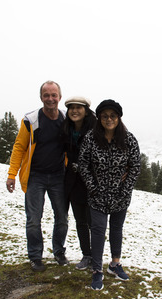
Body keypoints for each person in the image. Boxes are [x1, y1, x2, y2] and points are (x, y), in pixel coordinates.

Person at [6, 80, 69, 272]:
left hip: (59, 176)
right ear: (41, 97)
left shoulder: (66, 120)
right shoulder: (31, 120)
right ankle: (35, 256)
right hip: (35, 177)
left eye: (54, 95)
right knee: (33, 219)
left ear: (59, 97)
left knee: (62, 218)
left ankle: (59, 252)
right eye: (46, 95)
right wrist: (12, 174)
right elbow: (19, 147)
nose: (50, 99)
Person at [78, 99, 141, 290]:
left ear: (118, 117)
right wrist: (92, 186)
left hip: (120, 196)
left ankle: (115, 264)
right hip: (97, 196)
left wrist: (125, 189)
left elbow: (136, 166)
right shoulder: (91, 138)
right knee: (97, 231)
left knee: (116, 229)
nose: (109, 119)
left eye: (113, 116)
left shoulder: (129, 139)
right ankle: (97, 270)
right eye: (105, 116)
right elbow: (83, 164)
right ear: (99, 118)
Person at [60, 96, 96, 270]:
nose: (74, 110)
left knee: (94, 222)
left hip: (91, 183)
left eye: (78, 107)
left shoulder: (96, 129)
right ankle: (87, 255)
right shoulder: (66, 129)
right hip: (73, 182)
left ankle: (96, 257)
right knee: (80, 221)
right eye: (71, 107)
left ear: (86, 110)